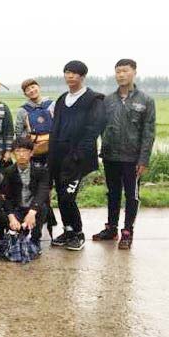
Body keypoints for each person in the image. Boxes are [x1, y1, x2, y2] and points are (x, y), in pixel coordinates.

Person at [93, 59, 156, 249]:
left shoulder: (145, 100)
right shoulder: (107, 100)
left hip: (132, 158)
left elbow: (149, 132)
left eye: (125, 71)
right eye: (118, 71)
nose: (121, 75)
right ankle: (111, 228)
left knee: (132, 195)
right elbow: (99, 127)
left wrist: (143, 159)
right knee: (112, 193)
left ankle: (127, 232)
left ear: (134, 72)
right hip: (110, 156)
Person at [49, 60, 106, 251]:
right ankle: (68, 230)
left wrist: (78, 155)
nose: (70, 76)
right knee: (61, 195)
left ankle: (78, 233)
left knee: (68, 196)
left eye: (74, 73)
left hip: (77, 158)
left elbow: (94, 129)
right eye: (67, 72)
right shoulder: (62, 99)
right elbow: (55, 126)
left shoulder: (94, 99)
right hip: (58, 156)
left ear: (82, 76)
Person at [4, 137, 51, 250]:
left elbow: (43, 191)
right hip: (17, 208)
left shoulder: (41, 171)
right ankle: (13, 235)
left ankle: (35, 238)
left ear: (31, 153)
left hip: (34, 207)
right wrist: (11, 217)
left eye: (25, 151)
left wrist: (32, 212)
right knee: (7, 220)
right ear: (13, 154)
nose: (21, 154)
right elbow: (6, 197)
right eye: (18, 151)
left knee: (43, 208)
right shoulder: (8, 172)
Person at [14, 79, 54, 164]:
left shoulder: (53, 105)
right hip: (33, 150)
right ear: (25, 94)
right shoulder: (22, 110)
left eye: (33, 87)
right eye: (28, 90)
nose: (31, 90)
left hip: (53, 148)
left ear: (39, 87)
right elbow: (18, 133)